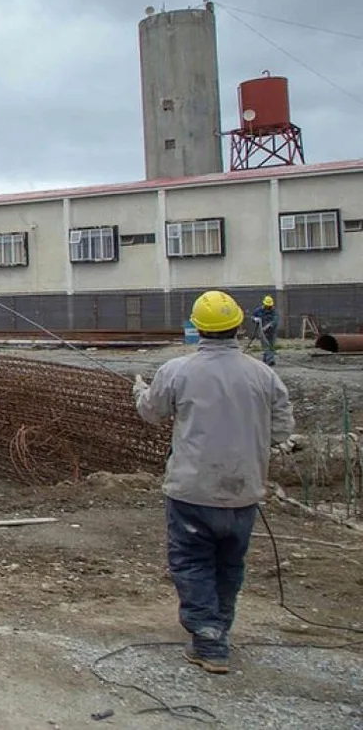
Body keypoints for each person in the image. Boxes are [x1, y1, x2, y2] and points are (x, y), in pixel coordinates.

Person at [132, 289, 294, 674]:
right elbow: (282, 429)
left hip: (192, 490)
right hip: (244, 491)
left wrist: (139, 390)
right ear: (239, 325)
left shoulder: (177, 371)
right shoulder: (264, 375)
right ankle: (219, 629)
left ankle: (209, 641)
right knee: (229, 565)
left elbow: (152, 412)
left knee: (191, 562)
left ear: (197, 328)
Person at [251, 295, 278, 366]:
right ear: (264, 304)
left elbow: (275, 320)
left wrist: (268, 326)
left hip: (271, 332)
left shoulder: (273, 311)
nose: (268, 308)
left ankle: (265, 359)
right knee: (266, 346)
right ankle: (270, 360)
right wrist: (255, 319)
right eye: (267, 306)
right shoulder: (259, 310)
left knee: (271, 345)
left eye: (269, 306)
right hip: (262, 332)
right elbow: (252, 316)